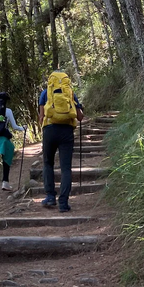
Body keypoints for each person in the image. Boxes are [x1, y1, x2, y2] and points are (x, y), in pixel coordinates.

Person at [38, 71, 84, 212]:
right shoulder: (70, 93)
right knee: (65, 168)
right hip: (66, 132)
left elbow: (41, 117)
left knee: (48, 163)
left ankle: (50, 197)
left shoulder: (45, 93)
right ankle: (63, 202)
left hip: (50, 130)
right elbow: (80, 117)